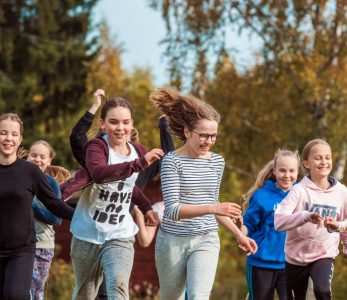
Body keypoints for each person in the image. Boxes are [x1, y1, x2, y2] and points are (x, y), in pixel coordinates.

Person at [151, 87, 258, 300]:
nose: (208, 141)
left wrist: (239, 235)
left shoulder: (217, 162)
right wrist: (213, 208)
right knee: (173, 297)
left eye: (213, 136)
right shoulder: (172, 161)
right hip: (173, 241)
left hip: (206, 237)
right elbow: (172, 210)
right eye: (204, 136)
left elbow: (213, 203)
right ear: (188, 133)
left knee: (199, 296)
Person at [68, 88, 174, 300]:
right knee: (85, 293)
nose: (120, 128)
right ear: (103, 124)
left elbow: (127, 186)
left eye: (125, 122)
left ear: (132, 124)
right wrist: (95, 106)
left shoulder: (138, 151)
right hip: (87, 232)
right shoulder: (96, 148)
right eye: (114, 122)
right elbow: (99, 174)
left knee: (117, 285)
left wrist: (145, 208)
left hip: (120, 233)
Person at [0, 113, 74, 300]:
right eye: (3, 133)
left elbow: (54, 204)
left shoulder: (30, 172)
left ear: (20, 139)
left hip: (21, 249)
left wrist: (81, 215)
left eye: (14, 134)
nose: (9, 138)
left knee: (14, 295)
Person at [274, 139, 347, 300]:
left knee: (322, 291)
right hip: (295, 258)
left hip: (324, 254)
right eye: (318, 158)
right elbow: (279, 222)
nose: (324, 162)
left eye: (327, 157)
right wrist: (305, 216)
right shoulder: (298, 190)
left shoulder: (341, 192)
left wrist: (340, 234)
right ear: (306, 163)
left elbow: (345, 221)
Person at [242, 149, 300, 300]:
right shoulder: (261, 196)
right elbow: (247, 227)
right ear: (274, 171)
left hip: (291, 264)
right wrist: (238, 229)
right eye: (282, 170)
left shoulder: (302, 194)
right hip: (261, 263)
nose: (287, 175)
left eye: (291, 171)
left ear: (297, 171)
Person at [27, 140, 71, 300]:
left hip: (42, 246)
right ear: (27, 157)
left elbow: (55, 218)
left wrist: (31, 202)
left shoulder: (51, 184)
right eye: (33, 155)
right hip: (17, 244)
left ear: (49, 161)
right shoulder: (18, 178)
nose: (37, 159)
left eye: (42, 156)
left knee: (36, 293)